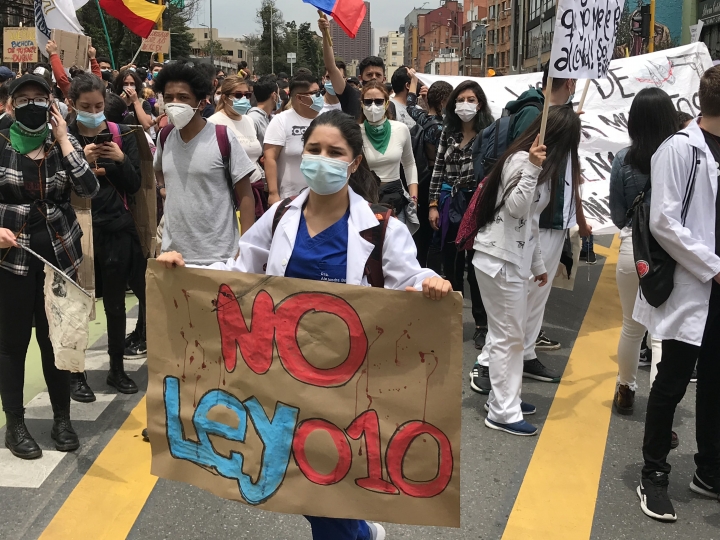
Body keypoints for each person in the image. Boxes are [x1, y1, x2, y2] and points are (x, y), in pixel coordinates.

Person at [156, 108, 451, 540]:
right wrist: (184, 273)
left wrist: (431, 283)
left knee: (325, 481)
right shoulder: (279, 218)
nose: (321, 159)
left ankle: (356, 532)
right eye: (314, 149)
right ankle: (359, 531)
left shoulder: (380, 226)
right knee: (308, 477)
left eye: (335, 152)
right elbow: (238, 270)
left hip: (349, 381)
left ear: (353, 162)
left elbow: (408, 275)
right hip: (285, 379)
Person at [633, 67, 720, 522]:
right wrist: (714, 267)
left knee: (715, 384)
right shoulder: (678, 149)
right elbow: (664, 223)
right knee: (672, 383)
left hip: (716, 288)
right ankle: (654, 475)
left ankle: (709, 470)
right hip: (692, 286)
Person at [0, 74, 99, 459]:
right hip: (12, 263)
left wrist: (62, 140)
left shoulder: (61, 140)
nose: (31, 105)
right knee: (11, 346)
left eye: (38, 98)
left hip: (59, 260)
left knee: (55, 341)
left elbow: (89, 189)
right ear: (11, 104)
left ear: (51, 103)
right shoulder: (2, 140)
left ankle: (62, 419)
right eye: (22, 99)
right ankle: (17, 425)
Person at [471, 106, 581, 436]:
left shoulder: (537, 167)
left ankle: (505, 400)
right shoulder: (522, 162)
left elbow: (529, 223)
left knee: (512, 337)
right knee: (509, 338)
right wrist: (533, 167)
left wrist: (537, 265)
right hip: (498, 261)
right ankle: (503, 411)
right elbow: (517, 207)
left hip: (510, 261)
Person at [506, 63, 591, 384]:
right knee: (521, 294)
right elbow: (520, 164)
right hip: (536, 218)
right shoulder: (534, 114)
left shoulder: (561, 116)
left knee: (537, 295)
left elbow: (570, 169)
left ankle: (526, 354)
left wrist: (579, 217)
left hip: (556, 218)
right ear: (568, 81)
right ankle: (494, 363)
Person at [66, 73, 146, 401]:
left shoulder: (119, 133)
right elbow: (56, 187)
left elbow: (135, 184)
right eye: (86, 106)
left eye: (99, 105)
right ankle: (76, 374)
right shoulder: (64, 138)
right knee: (77, 306)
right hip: (75, 232)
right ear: (72, 105)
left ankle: (116, 369)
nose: (94, 111)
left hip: (115, 228)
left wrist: (121, 159)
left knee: (115, 303)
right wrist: (79, 163)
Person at [609, 87, 678, 419]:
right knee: (662, 333)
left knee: (631, 326)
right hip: (672, 254)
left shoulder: (623, 158)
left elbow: (617, 214)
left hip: (632, 250)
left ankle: (625, 389)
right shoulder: (681, 156)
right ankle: (660, 412)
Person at [153, 61, 256, 264]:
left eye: (183, 97)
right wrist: (164, 188)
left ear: (201, 103)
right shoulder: (165, 136)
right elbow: (158, 170)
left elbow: (246, 195)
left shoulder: (222, 137)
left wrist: (245, 245)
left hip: (219, 257)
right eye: (169, 98)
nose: (174, 103)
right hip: (173, 257)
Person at [429, 80, 492, 350]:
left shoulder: (489, 133)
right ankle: (452, 319)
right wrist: (433, 204)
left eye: (471, 99)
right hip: (449, 202)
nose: (466, 104)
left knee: (477, 267)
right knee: (451, 264)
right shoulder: (448, 133)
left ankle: (481, 324)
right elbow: (438, 168)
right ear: (454, 104)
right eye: (461, 99)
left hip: (477, 204)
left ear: (480, 104)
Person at [405, 71, 451, 269]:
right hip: (439, 181)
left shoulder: (423, 119)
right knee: (436, 231)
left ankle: (419, 265)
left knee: (422, 230)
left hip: (422, 180)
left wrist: (414, 80)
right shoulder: (443, 129)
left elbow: (409, 104)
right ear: (443, 101)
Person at [359, 80, 418, 230]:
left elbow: (409, 164)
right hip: (366, 199)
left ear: (386, 103)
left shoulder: (401, 129)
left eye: (379, 101)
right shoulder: (355, 133)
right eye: (368, 102)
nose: (373, 106)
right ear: (362, 104)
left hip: (396, 198)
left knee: (398, 248)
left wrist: (414, 197)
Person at [319, 16, 395, 120]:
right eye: (369, 74)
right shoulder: (350, 96)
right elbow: (331, 67)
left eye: (378, 75)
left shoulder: (391, 105)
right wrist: (325, 33)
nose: (373, 78)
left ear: (384, 79)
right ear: (360, 78)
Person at [264, 72, 323, 205]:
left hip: (322, 198)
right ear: (299, 98)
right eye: (314, 93)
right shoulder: (281, 120)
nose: (319, 97)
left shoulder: (327, 118)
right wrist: (273, 193)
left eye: (319, 92)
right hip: (289, 198)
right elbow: (270, 157)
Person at [208, 76, 263, 189]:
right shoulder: (213, 122)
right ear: (224, 97)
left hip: (256, 186)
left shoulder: (248, 120)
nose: (243, 99)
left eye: (247, 95)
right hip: (231, 189)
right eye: (238, 95)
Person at [246, 75, 280, 145]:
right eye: (278, 94)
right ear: (274, 95)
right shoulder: (253, 119)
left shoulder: (271, 118)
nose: (279, 99)